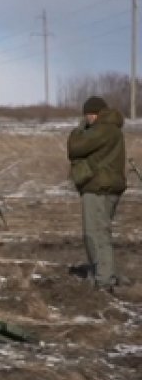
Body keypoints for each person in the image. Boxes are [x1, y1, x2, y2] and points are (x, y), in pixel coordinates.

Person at [67, 95, 126, 291]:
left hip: (98, 188)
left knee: (95, 234)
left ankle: (104, 281)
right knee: (101, 232)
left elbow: (74, 148)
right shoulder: (112, 129)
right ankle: (105, 274)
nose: (87, 119)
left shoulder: (103, 129)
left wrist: (78, 130)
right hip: (107, 187)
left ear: (95, 113)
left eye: (88, 115)